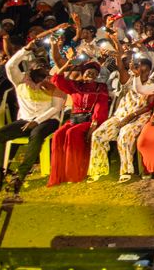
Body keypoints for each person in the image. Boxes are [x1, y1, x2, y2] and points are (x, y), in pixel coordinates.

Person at [0, 32, 68, 197]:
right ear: (30, 70)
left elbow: (56, 108)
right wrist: (25, 50)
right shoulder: (21, 80)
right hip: (25, 119)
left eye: (44, 72)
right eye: (38, 72)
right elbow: (10, 66)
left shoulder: (54, 83)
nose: (42, 76)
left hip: (48, 120)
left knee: (37, 134)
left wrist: (37, 121)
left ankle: (20, 174)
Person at [88, 50, 154, 182]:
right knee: (98, 135)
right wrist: (118, 55)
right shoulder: (130, 80)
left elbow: (149, 106)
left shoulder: (152, 85)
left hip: (138, 118)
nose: (140, 71)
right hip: (120, 115)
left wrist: (131, 116)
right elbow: (121, 69)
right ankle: (99, 169)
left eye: (143, 69)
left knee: (124, 135)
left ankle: (126, 171)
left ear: (148, 71)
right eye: (138, 67)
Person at [47, 58, 111, 186]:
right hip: (74, 119)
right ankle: (60, 174)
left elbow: (100, 107)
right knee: (58, 135)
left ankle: (74, 173)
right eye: (88, 72)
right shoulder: (75, 85)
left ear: (97, 75)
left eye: (94, 73)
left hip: (88, 120)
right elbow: (56, 80)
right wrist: (66, 65)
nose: (91, 74)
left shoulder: (100, 87)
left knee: (72, 133)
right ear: (83, 72)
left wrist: (94, 125)